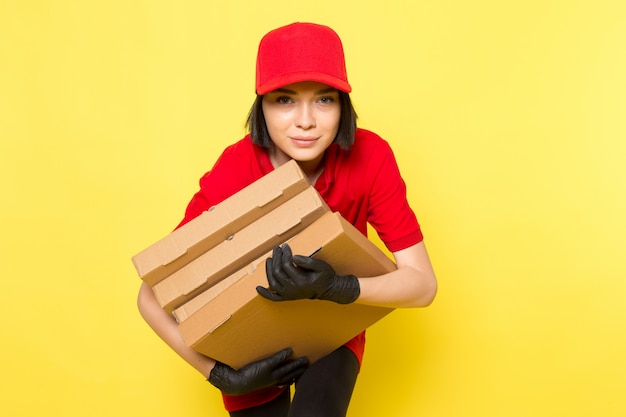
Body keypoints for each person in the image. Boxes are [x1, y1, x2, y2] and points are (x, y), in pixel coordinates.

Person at [137, 22, 437, 417]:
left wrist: (340, 287)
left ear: (343, 105)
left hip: (331, 328)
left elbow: (422, 285)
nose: (306, 121)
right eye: (284, 100)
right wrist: (216, 373)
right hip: (250, 342)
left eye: (324, 100)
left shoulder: (371, 156)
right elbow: (151, 296)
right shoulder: (235, 168)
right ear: (260, 106)